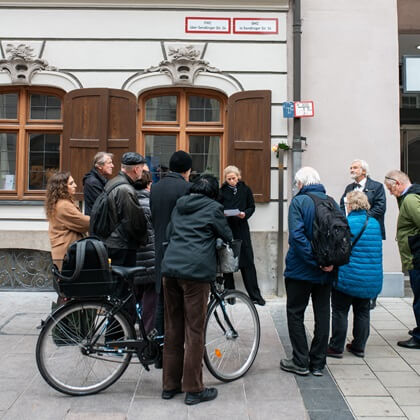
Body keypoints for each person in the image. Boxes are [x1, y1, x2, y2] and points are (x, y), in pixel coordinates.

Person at [161, 174, 233, 405]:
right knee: (195, 331)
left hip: (170, 269)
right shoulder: (214, 208)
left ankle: (169, 385)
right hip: (196, 273)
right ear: (213, 192)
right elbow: (227, 235)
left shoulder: (179, 206)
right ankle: (193, 389)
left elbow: (169, 233)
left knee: (172, 328)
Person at [281, 167, 336, 377]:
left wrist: (314, 261)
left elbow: (296, 237)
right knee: (323, 315)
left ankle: (300, 361)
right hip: (326, 272)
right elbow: (339, 237)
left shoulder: (299, 202)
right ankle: (318, 363)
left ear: (300, 183)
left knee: (295, 313)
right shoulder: (331, 201)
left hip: (300, 270)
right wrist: (328, 263)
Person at [327, 191, 383, 358]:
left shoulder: (347, 223)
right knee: (363, 311)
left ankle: (336, 347)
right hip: (368, 277)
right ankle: (359, 346)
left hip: (348, 276)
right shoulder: (374, 223)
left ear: (350, 205)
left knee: (340, 311)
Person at [150, 150, 192, 340]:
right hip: (181, 251)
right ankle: (175, 344)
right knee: (180, 303)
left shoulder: (156, 188)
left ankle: (159, 350)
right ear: (187, 170)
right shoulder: (187, 188)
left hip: (159, 248)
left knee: (161, 300)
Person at [340, 159, 386, 310]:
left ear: (364, 171)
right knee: (352, 261)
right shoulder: (349, 187)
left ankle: (370, 296)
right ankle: (351, 291)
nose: (351, 169)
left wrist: (364, 220)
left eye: (355, 167)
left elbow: (380, 207)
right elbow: (342, 205)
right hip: (351, 230)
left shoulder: (377, 187)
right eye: (351, 167)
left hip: (369, 231)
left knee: (370, 261)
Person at [218, 165, 265, 306]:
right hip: (227, 229)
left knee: (248, 262)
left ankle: (255, 296)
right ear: (225, 179)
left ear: (238, 177)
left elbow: (252, 206)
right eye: (229, 179)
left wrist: (245, 214)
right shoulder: (221, 192)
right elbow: (218, 208)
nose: (232, 181)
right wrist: (225, 214)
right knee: (227, 263)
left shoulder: (246, 190)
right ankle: (229, 295)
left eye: (234, 178)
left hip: (242, 228)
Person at [384, 170, 420, 349]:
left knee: (419, 297)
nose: (390, 193)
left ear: (397, 183)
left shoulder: (411, 199)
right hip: (416, 256)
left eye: (390, 189)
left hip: (417, 257)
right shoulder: (409, 197)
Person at [45, 171, 90, 270]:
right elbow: (84, 223)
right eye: (71, 183)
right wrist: (101, 217)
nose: (75, 185)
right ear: (62, 187)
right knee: (68, 282)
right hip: (66, 253)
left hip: (64, 252)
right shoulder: (64, 205)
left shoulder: (59, 202)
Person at [133, 169, 158, 334]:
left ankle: (127, 329)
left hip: (133, 258)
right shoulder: (151, 203)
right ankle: (147, 334)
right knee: (150, 300)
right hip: (149, 258)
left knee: (133, 296)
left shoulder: (129, 201)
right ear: (149, 185)